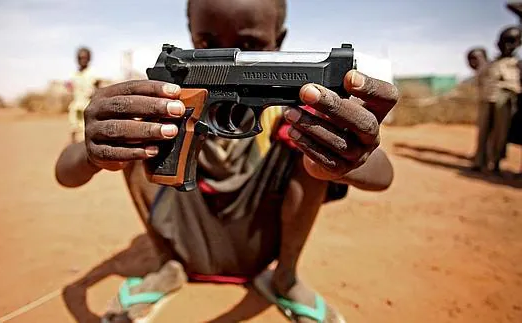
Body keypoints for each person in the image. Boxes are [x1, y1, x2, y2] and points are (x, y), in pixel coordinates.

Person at [55, 0, 398, 322]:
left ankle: (286, 277)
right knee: (139, 130)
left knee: (310, 137)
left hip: (257, 244)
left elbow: (383, 175)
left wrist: (352, 154)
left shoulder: (291, 112)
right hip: (185, 236)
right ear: (190, 33)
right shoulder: (167, 102)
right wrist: (97, 146)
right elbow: (65, 174)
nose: (231, 56)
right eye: (207, 40)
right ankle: (168, 264)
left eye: (250, 44)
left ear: (279, 42)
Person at [479, 26, 522, 174]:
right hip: (487, 99)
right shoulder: (491, 64)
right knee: (483, 132)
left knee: (501, 133)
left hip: (506, 100)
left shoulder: (517, 65)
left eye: (512, 42)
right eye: (505, 41)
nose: (507, 46)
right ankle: (480, 161)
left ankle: (496, 162)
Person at [66, 46, 100, 144]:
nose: (82, 60)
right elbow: (69, 87)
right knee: (73, 130)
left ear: (89, 59)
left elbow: (98, 89)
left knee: (88, 133)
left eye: (85, 58)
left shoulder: (93, 73)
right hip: (76, 107)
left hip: (88, 107)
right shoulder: (74, 74)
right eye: (80, 58)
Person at [467, 47, 492, 172]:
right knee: (483, 132)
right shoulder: (479, 71)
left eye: (476, 58)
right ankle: (482, 158)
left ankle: (491, 161)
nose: (473, 62)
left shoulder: (492, 68)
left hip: (495, 104)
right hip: (485, 103)